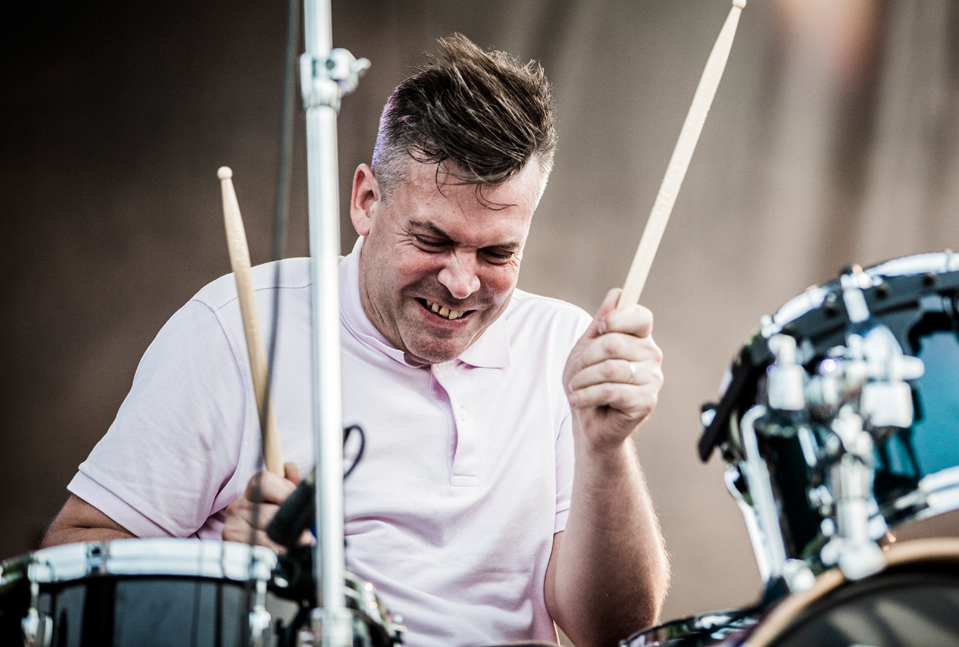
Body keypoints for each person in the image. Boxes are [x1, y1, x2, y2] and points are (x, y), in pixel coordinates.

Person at [42, 35, 670, 647]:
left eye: (498, 252)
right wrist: (225, 583)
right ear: (367, 201)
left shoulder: (564, 346)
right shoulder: (237, 326)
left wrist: (605, 450)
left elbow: (613, 632)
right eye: (431, 241)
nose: (460, 282)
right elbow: (68, 567)